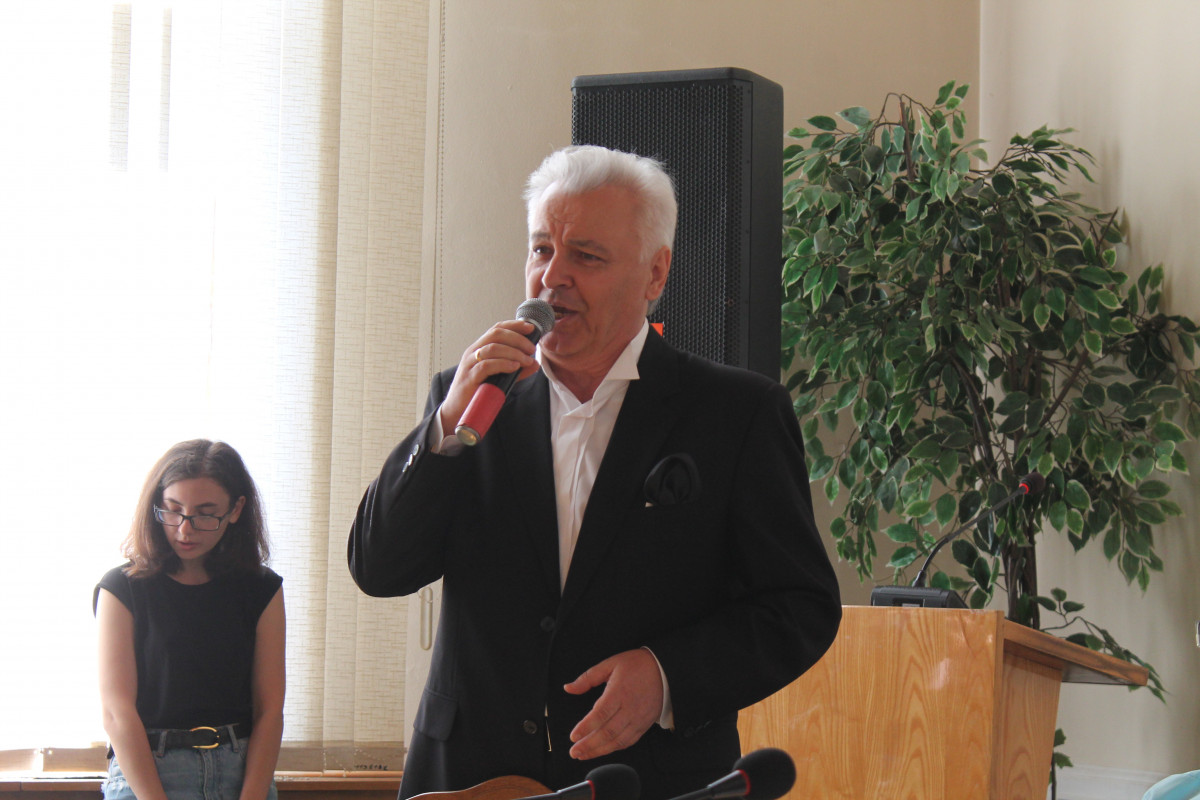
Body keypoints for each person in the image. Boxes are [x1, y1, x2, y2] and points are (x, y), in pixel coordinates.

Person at [348, 145, 841, 800]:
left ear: (655, 273)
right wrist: (441, 429)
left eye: (585, 256)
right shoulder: (471, 402)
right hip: (471, 775)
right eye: (541, 250)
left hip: (644, 777)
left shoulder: (734, 414)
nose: (552, 278)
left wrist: (667, 676)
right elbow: (380, 568)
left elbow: (799, 607)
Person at [95, 439, 285, 800]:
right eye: (173, 511)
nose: (185, 529)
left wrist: (253, 795)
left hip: (240, 770)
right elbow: (117, 713)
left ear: (235, 509)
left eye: (204, 514)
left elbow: (270, 709)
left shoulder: (261, 589)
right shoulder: (122, 588)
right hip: (147, 771)